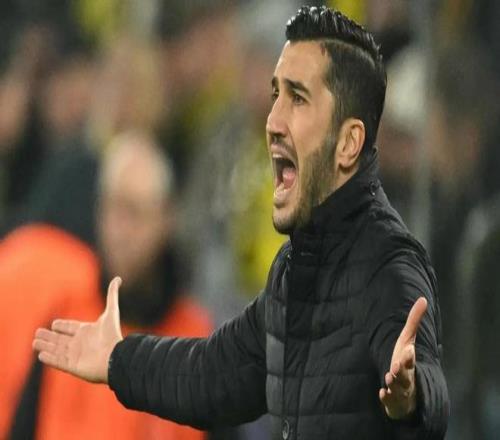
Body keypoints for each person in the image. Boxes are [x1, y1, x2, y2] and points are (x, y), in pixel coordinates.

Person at [33, 7, 449, 439]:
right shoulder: (294, 272)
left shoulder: (389, 262)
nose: (272, 121)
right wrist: (118, 360)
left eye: (298, 98)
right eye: (275, 95)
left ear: (348, 143)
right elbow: (213, 374)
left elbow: (427, 381)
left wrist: (411, 396)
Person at [2, 132, 214, 439]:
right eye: (112, 209)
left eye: (134, 213)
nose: (119, 231)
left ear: (166, 218)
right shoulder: (66, 318)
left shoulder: (197, 340)